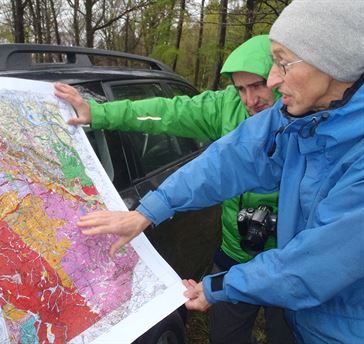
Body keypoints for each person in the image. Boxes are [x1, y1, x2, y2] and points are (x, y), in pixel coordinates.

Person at [71, 0, 364, 343]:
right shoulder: (300, 117)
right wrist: (149, 211)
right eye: (271, 65)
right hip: (301, 308)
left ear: (333, 62)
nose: (271, 82)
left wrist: (217, 288)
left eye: (283, 63)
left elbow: (312, 269)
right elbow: (227, 159)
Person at [55, 36, 295, 343]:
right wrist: (100, 113)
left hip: (286, 260)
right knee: (225, 336)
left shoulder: (303, 119)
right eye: (241, 89)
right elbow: (165, 113)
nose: (250, 100)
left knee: (287, 334)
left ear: (279, 74)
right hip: (234, 253)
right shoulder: (224, 108)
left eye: (258, 85)